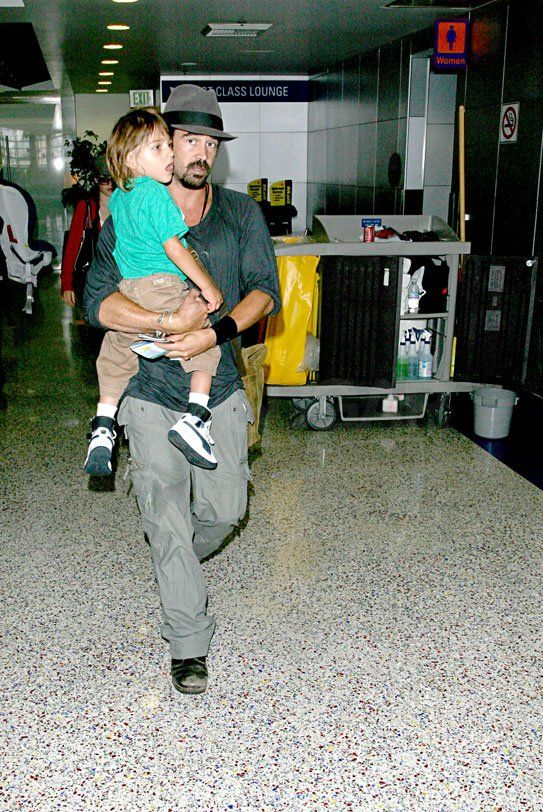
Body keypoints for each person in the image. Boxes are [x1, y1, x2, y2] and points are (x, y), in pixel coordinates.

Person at [83, 84, 281, 695]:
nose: (199, 152)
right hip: (147, 387)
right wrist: (170, 325)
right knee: (164, 514)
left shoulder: (240, 214)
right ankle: (187, 640)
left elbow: (264, 292)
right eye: (186, 139)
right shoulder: (127, 212)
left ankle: (179, 569)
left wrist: (211, 332)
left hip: (215, 386)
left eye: (209, 142)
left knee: (224, 511)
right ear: (163, 146)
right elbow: (98, 302)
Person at [84, 108, 224, 477]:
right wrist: (208, 286)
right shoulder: (158, 196)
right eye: (159, 148)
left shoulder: (121, 197)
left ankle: (103, 424)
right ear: (132, 159)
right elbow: (174, 248)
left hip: (129, 290)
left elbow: (107, 224)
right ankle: (195, 417)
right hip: (162, 286)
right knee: (206, 344)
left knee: (116, 354)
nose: (170, 155)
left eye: (168, 146)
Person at [61, 154, 113, 316]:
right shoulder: (87, 207)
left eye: (114, 178)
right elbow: (73, 246)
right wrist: (66, 283)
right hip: (93, 278)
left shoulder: (125, 205)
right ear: (96, 180)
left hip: (120, 277)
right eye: (105, 179)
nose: (110, 184)